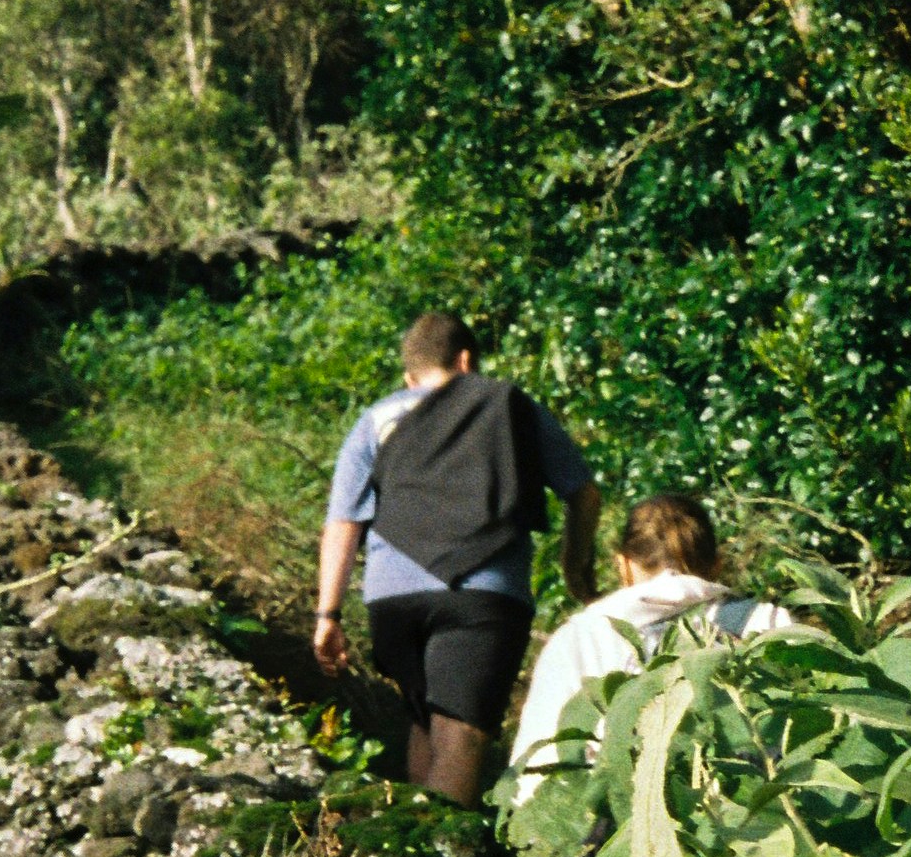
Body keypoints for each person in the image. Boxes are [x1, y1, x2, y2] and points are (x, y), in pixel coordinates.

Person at [313, 312, 600, 803]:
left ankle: (412, 855)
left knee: (426, 724)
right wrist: (576, 568)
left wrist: (328, 614)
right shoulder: (509, 406)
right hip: (482, 595)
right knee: (461, 734)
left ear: (411, 376)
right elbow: (584, 494)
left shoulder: (376, 418)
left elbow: (344, 521)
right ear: (467, 361)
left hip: (391, 601)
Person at [510, 493, 799, 780]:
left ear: (623, 566)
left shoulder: (576, 639)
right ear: (717, 565)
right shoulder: (766, 620)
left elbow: (536, 771)